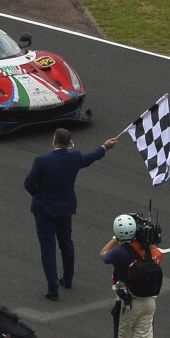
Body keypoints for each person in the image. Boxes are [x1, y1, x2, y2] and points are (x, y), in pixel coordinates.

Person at [23, 127, 120, 300]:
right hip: (65, 209)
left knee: (48, 248)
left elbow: (28, 183)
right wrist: (105, 146)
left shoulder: (42, 161)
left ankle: (53, 288)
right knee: (66, 242)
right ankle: (68, 278)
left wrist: (38, 194)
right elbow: (91, 157)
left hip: (44, 209)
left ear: (54, 141)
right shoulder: (74, 158)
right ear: (69, 143)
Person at [103, 213, 164, 338]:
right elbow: (159, 256)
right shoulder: (152, 251)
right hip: (149, 302)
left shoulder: (121, 252)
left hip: (129, 303)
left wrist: (115, 239)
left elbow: (104, 255)